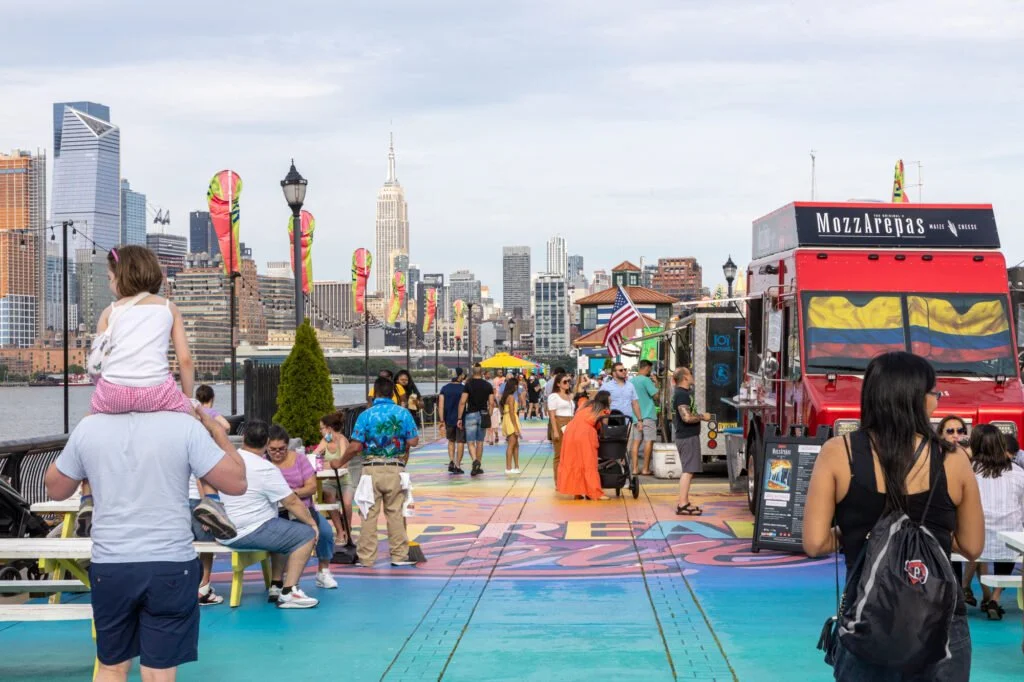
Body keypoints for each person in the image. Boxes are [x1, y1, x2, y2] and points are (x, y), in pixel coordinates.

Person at [803, 351, 984, 681]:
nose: (938, 404)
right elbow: (972, 547)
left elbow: (815, 543)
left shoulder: (838, 453)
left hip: (868, 617)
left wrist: (862, 533)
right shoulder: (953, 460)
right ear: (916, 397)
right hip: (940, 622)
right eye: (935, 394)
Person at [43, 406, 247, 680]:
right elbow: (237, 482)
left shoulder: (91, 426)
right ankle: (213, 503)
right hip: (170, 561)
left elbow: (55, 489)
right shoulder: (183, 425)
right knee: (158, 670)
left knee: (111, 666)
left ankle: (87, 502)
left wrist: (81, 437)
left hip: (112, 562)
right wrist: (215, 431)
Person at [78, 245, 234, 541]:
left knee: (86, 432)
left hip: (113, 392)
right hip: (157, 390)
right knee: (197, 431)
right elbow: (186, 360)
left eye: (110, 277)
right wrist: (189, 402)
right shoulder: (166, 307)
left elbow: (97, 365)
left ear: (121, 277)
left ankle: (87, 497)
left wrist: (103, 400)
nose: (109, 282)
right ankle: (212, 500)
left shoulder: (109, 313)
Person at [218, 420, 320, 609]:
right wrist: (312, 524)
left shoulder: (228, 459)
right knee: (306, 535)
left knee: (280, 527)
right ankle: (289, 591)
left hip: (224, 530)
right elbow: (291, 502)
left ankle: (276, 584)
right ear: (266, 442)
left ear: (243, 438)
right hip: (249, 530)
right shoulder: (265, 468)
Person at [335, 377, 420, 567]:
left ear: (375, 393)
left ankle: (366, 558)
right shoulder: (403, 413)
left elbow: (355, 446)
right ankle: (399, 556)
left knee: (368, 514)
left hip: (371, 469)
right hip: (396, 468)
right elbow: (414, 441)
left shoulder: (366, 415)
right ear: (393, 393)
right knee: (395, 514)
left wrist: (339, 462)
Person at [266, 425, 338, 590]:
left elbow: (312, 486)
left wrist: (292, 494)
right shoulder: (263, 462)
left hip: (302, 508)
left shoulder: (299, 459)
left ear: (287, 446)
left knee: (326, 532)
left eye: (281, 449)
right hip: (276, 512)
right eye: (273, 450)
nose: (277, 453)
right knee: (283, 539)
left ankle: (323, 571)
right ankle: (280, 580)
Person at [967, 424, 1024, 620]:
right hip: (1009, 545)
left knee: (972, 540)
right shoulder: (1017, 472)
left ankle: (972, 590)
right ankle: (995, 597)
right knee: (1011, 540)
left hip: (975, 543)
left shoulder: (968, 470)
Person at [556, 390, 611, 500]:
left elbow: (579, 398)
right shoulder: (603, 411)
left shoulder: (585, 404)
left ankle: (577, 492)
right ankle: (595, 493)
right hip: (585, 433)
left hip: (570, 431)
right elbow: (605, 428)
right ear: (606, 400)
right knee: (588, 462)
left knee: (575, 461)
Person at [673, 367, 712, 515]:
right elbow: (687, 417)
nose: (692, 376)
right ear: (684, 378)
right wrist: (703, 417)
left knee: (690, 470)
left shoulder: (682, 393)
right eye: (690, 374)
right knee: (688, 471)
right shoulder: (682, 395)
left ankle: (685, 502)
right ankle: (682, 504)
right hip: (687, 437)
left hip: (687, 436)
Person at [310, 412, 351, 544]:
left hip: (344, 480)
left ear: (329, 428)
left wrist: (325, 464)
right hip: (329, 480)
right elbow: (314, 457)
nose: (320, 431)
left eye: (321, 428)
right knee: (328, 497)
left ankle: (348, 530)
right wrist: (326, 463)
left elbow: (343, 462)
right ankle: (340, 531)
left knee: (347, 503)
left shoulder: (342, 440)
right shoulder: (325, 441)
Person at [458, 365, 496, 477]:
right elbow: (492, 403)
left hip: (470, 415)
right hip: (483, 414)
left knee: (470, 442)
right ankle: (478, 466)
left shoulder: (468, 385)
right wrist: (489, 414)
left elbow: (462, 402)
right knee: (480, 442)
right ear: (482, 372)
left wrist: (459, 417)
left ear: (472, 372)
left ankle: (474, 460)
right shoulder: (488, 385)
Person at [629, 360, 659, 476]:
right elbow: (655, 396)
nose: (650, 371)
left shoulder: (631, 381)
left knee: (636, 442)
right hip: (648, 415)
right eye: (650, 369)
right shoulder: (646, 380)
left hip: (636, 416)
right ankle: (645, 468)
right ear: (646, 368)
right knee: (648, 441)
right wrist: (656, 383)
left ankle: (635, 469)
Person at [547, 371, 575, 483]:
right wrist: (555, 431)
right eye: (565, 381)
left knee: (571, 454)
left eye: (569, 381)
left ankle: (568, 479)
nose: (567, 383)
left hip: (571, 423)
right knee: (559, 454)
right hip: (560, 423)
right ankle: (558, 481)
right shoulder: (554, 396)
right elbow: (552, 415)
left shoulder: (569, 396)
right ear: (558, 384)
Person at [439, 368, 467, 474]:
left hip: (448, 419)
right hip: (461, 419)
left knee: (451, 441)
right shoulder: (464, 389)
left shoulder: (444, 388)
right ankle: (457, 464)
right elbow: (465, 403)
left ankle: (451, 460)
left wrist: (442, 420)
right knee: (460, 441)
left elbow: (441, 405)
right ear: (459, 376)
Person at [500, 378, 523, 474]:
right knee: (512, 444)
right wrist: (516, 428)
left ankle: (516, 466)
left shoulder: (504, 397)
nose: (517, 386)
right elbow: (512, 413)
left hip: (506, 419)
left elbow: (503, 411)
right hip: (511, 420)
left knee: (515, 444)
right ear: (514, 386)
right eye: (516, 385)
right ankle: (509, 467)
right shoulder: (511, 398)